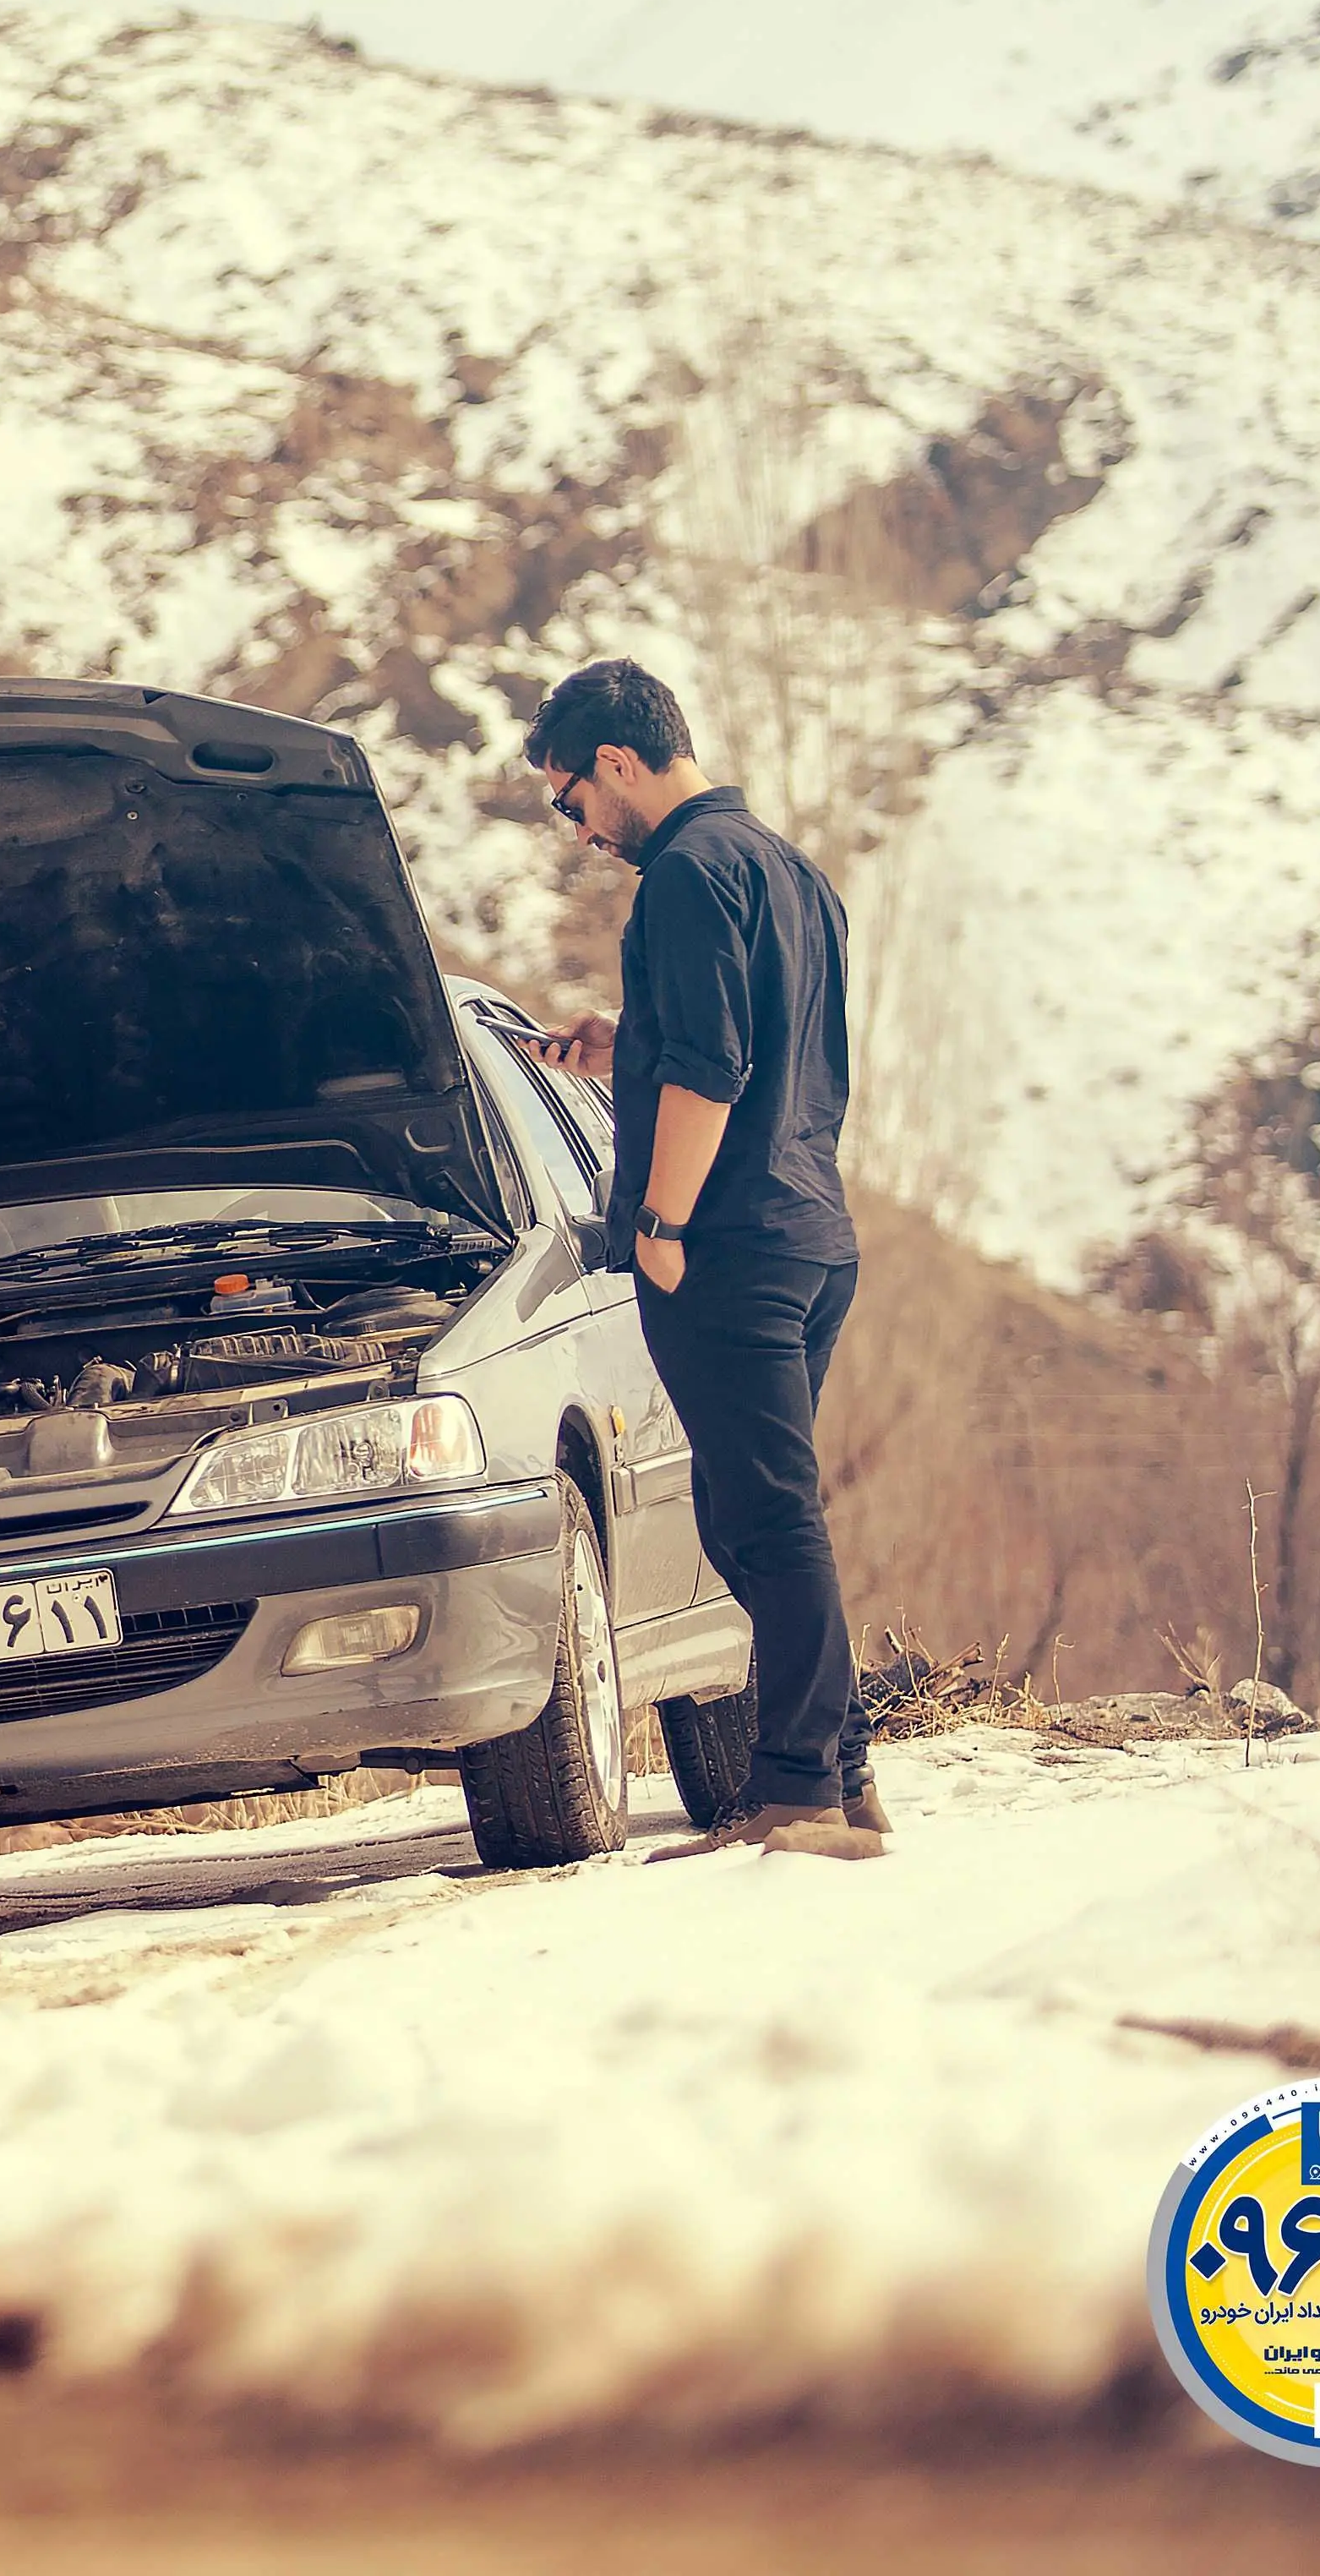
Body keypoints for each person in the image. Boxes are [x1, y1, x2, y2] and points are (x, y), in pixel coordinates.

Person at [520, 659, 885, 1861]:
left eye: (573, 799)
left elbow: (713, 1073)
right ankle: (841, 1775)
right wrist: (625, 1045)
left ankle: (807, 1798)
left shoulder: (680, 878)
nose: (579, 829)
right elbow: (770, 1049)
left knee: (766, 1522)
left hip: (724, 1247)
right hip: (812, 1234)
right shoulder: (792, 872)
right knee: (750, 1516)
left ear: (617, 765)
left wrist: (662, 1227)